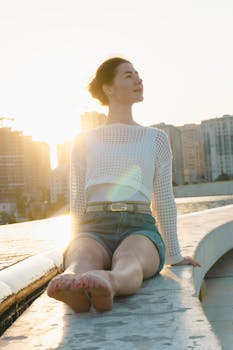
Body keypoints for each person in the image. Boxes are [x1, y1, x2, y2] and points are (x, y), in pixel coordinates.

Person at [47, 57, 200, 313]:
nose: (138, 79)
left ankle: (110, 282)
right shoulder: (83, 140)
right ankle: (72, 282)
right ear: (108, 88)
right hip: (94, 225)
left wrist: (174, 255)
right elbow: (78, 200)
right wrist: (77, 241)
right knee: (81, 259)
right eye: (128, 75)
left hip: (139, 227)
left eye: (138, 74)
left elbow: (162, 199)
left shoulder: (156, 138)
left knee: (130, 260)